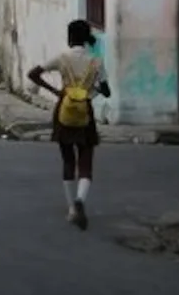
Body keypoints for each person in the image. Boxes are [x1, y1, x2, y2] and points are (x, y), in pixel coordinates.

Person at [27, 19, 113, 231]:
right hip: (85, 112)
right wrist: (92, 88)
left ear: (70, 37)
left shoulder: (62, 59)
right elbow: (107, 91)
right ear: (85, 39)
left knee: (67, 160)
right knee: (85, 161)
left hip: (64, 111)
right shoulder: (96, 61)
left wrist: (56, 92)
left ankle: (71, 209)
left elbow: (33, 74)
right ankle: (81, 200)